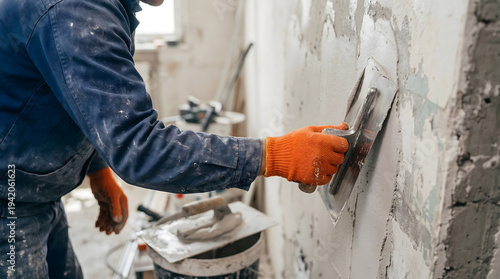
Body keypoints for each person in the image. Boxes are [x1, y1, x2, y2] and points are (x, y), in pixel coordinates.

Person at [0, 0, 348, 277]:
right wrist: (272, 156)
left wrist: (97, 169)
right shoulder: (75, 11)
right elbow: (140, 146)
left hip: (32, 188)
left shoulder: (101, 8)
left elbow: (72, 99)